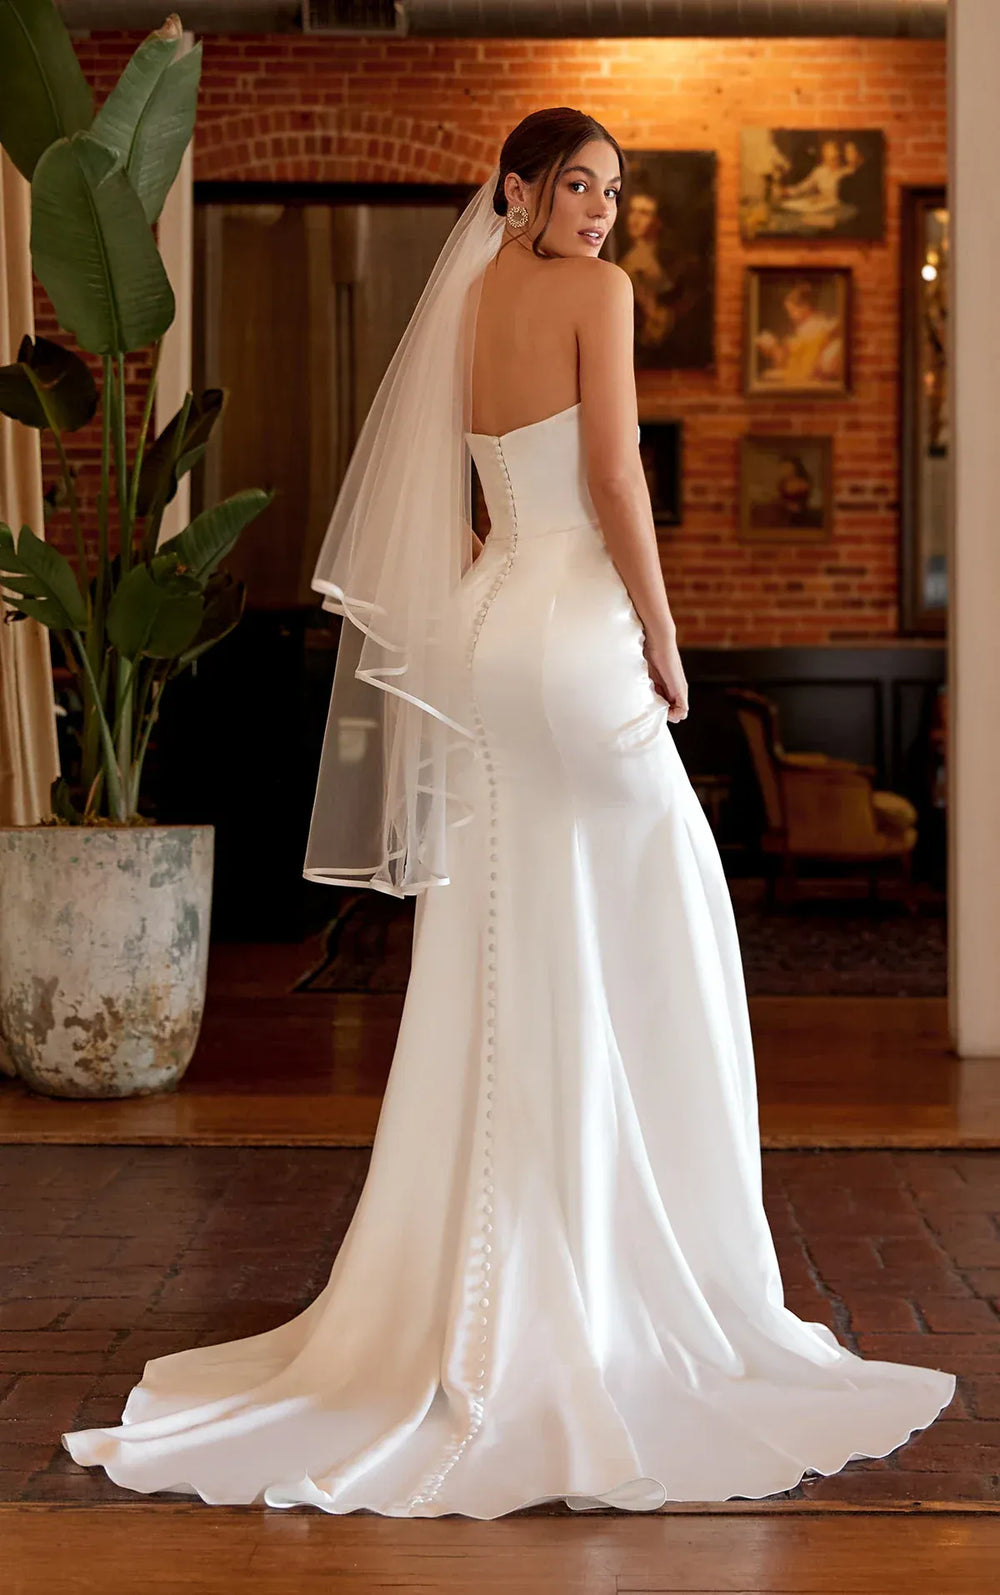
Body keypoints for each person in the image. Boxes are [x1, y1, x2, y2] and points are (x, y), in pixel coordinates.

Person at [61, 107, 955, 1519]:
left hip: (490, 633)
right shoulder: (591, 297)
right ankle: (605, 1278)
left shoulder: (469, 300)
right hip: (577, 635)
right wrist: (667, 639)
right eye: (576, 185)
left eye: (615, 193)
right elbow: (612, 479)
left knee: (516, 938)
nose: (600, 214)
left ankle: (500, 1278)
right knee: (657, 911)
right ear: (517, 186)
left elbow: (477, 500)